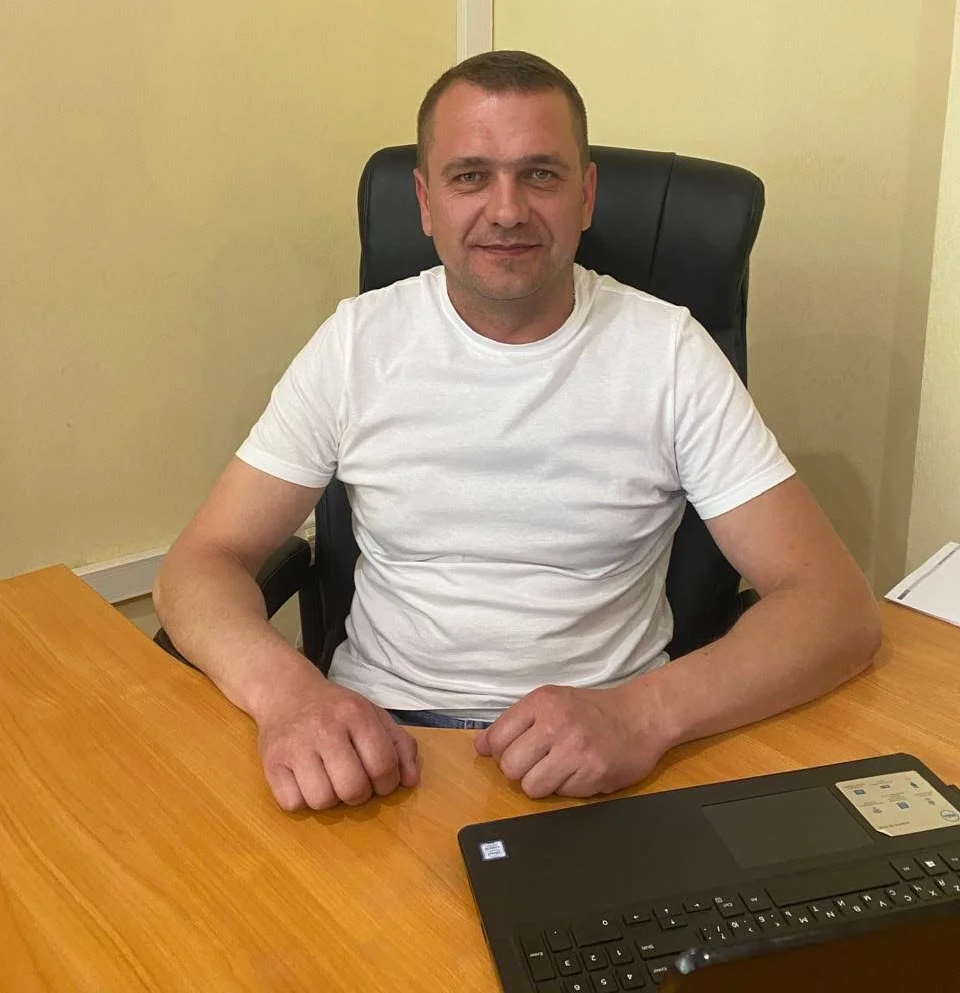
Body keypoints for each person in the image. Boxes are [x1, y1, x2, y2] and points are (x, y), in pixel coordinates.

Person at [153, 50, 881, 813]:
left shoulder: (667, 353)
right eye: (470, 175)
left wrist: (645, 714)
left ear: (586, 194)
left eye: (541, 174)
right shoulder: (356, 344)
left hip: (604, 757)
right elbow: (202, 562)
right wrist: (289, 696)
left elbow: (833, 606)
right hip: (378, 745)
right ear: (425, 201)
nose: (506, 210)